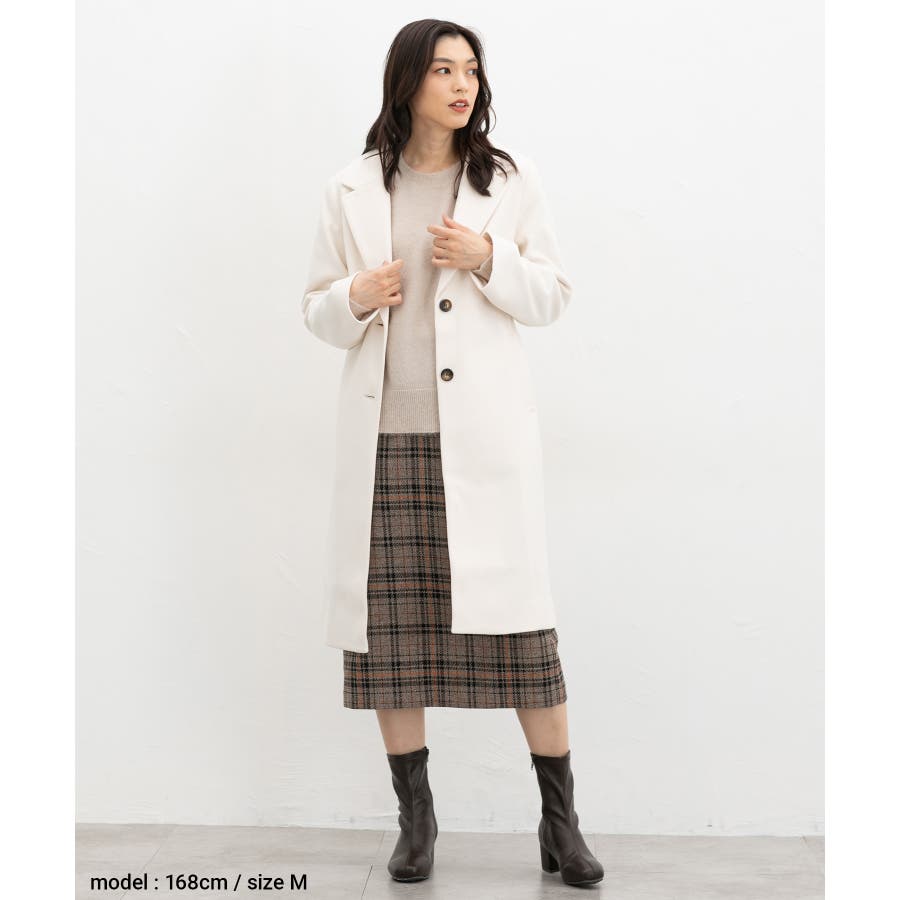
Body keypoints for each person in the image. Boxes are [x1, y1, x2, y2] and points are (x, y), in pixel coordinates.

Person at [301, 18, 604, 888]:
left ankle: (560, 824)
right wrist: (356, 295)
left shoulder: (506, 180)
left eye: (471, 69)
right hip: (387, 445)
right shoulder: (353, 186)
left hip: (482, 445)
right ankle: (416, 822)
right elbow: (316, 310)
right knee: (392, 642)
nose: (462, 84)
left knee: (524, 641)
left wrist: (487, 257)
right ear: (408, 81)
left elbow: (552, 295)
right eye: (443, 70)